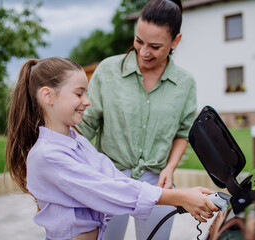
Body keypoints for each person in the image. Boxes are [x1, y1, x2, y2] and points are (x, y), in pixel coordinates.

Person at [5, 57, 217, 240]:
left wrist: (180, 195)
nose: (87, 102)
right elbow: (105, 190)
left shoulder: (76, 140)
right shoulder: (48, 155)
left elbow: (113, 178)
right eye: (79, 94)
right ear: (48, 96)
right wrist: (177, 197)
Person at [76, 0, 196, 239]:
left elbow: (183, 133)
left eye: (155, 46)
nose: (143, 52)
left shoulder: (185, 83)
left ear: (175, 42)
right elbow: (84, 125)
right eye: (139, 41)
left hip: (158, 184)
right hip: (109, 179)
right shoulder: (108, 71)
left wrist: (170, 169)